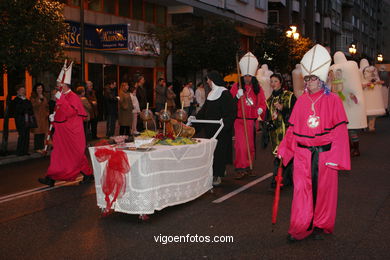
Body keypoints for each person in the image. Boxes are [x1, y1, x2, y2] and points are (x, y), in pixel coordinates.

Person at [277, 44, 351, 242]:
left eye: (313, 78)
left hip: (325, 155)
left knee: (324, 192)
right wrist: (285, 149)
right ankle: (301, 226)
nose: (309, 82)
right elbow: (293, 129)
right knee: (301, 191)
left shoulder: (333, 100)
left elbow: (340, 131)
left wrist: (336, 157)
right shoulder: (301, 101)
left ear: (322, 80)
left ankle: (321, 225)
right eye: (307, 78)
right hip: (302, 156)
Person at [38, 61, 93, 187]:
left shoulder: (73, 97)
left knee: (75, 156)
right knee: (58, 154)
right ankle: (50, 178)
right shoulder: (62, 96)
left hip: (72, 133)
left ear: (64, 85)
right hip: (63, 132)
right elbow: (61, 113)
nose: (57, 87)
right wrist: (54, 117)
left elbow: (70, 112)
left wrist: (61, 100)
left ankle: (88, 175)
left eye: (59, 84)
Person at [194, 71, 236, 186]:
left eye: (208, 79)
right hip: (210, 129)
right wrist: (195, 119)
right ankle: (215, 171)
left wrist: (225, 121)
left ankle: (217, 175)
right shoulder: (211, 94)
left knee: (219, 153)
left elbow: (231, 112)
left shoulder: (225, 93)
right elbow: (204, 111)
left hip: (220, 130)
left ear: (213, 80)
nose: (207, 82)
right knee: (211, 152)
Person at [230, 52, 267, 179]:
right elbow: (230, 104)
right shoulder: (236, 86)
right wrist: (236, 96)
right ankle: (240, 168)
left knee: (250, 146)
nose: (247, 78)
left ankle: (249, 167)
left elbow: (262, 102)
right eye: (245, 75)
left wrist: (261, 110)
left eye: (249, 76)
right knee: (241, 146)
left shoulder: (257, 88)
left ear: (253, 76)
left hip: (251, 121)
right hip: (240, 121)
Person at [263, 74, 296, 189]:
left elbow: (296, 114)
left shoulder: (289, 96)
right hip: (275, 133)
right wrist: (267, 125)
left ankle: (277, 180)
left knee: (282, 157)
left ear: (281, 82)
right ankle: (286, 179)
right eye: (271, 81)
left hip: (287, 132)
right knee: (280, 157)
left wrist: (284, 109)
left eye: (275, 81)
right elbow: (268, 117)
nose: (273, 84)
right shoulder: (269, 100)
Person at [11, 84, 35, 156]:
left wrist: (26, 106)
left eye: (24, 90)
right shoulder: (16, 100)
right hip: (20, 120)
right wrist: (25, 106)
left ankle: (25, 150)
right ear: (18, 91)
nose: (23, 92)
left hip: (27, 120)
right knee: (22, 135)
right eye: (21, 90)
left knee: (27, 135)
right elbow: (18, 110)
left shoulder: (26, 99)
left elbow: (30, 108)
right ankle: (20, 151)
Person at [30, 83, 49, 153]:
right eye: (38, 88)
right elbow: (33, 106)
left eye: (41, 88)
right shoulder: (33, 97)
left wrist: (47, 113)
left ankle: (42, 147)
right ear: (35, 89)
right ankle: (37, 148)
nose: (40, 89)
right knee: (38, 133)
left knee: (42, 133)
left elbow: (47, 106)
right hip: (37, 117)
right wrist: (39, 100)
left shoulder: (44, 96)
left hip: (44, 117)